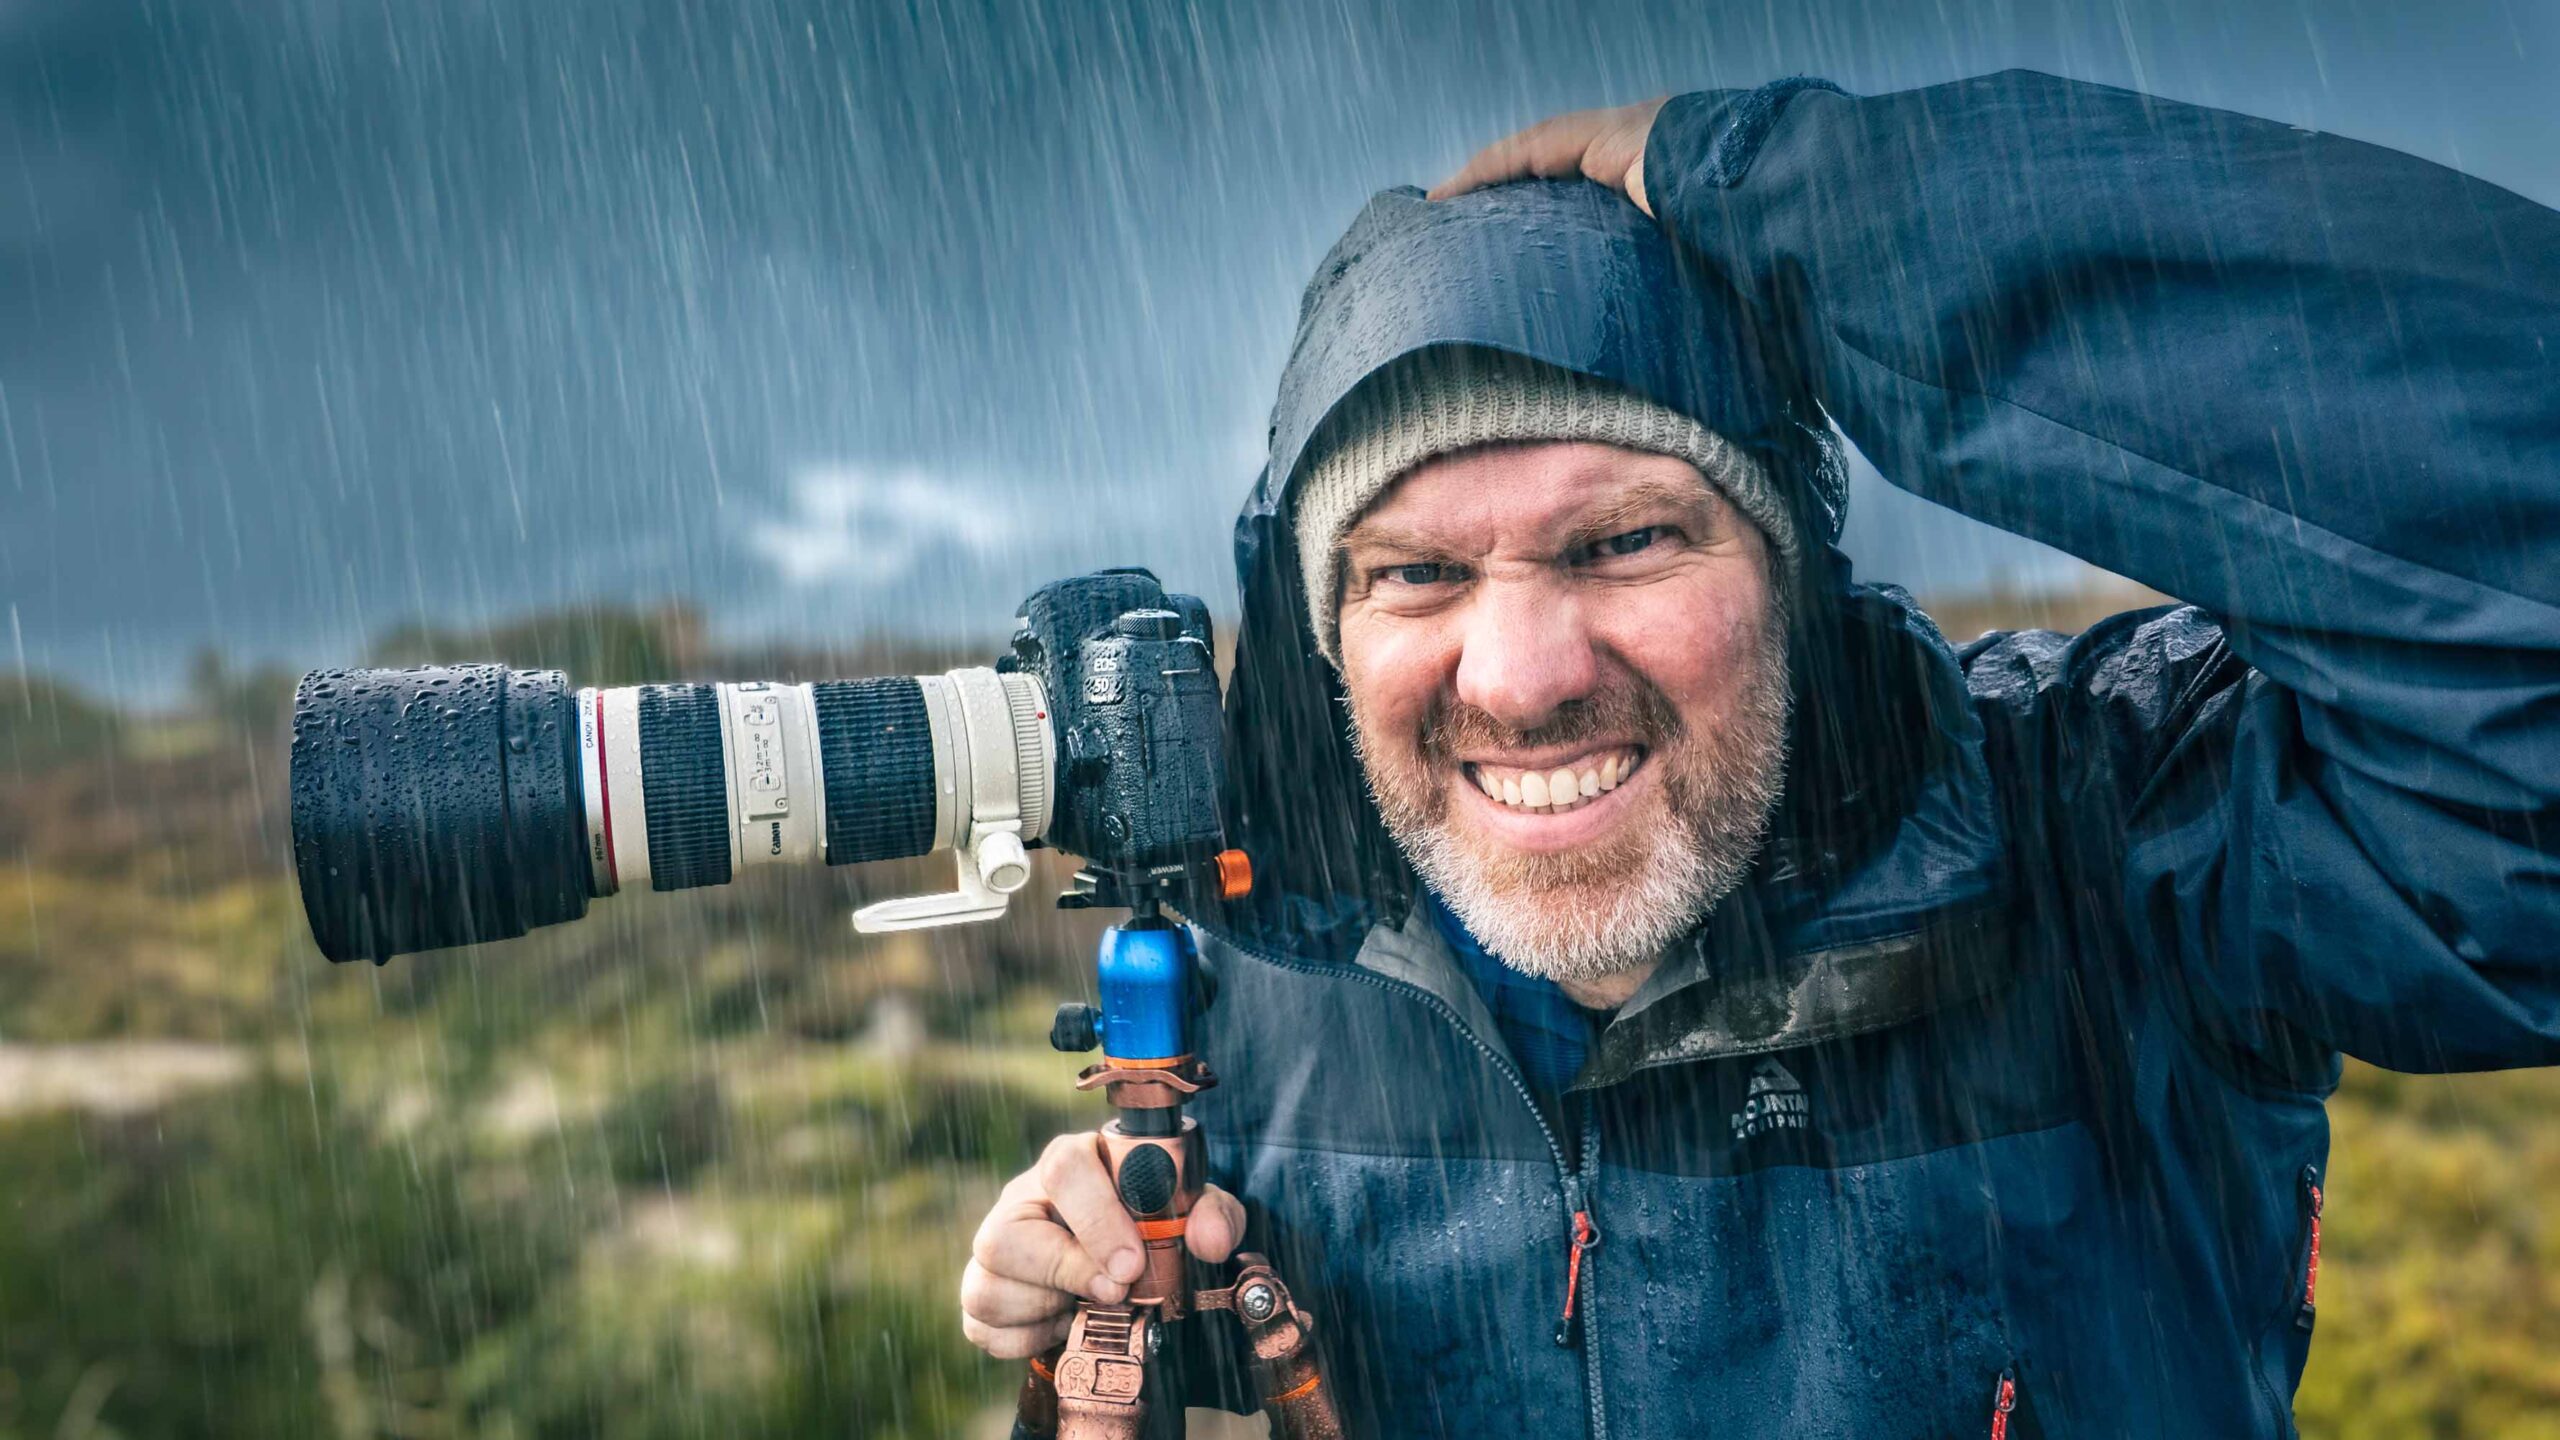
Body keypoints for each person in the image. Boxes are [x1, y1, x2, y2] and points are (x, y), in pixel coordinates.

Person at [959, 71, 2560, 1436]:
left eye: (1628, 542)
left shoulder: (2120, 829)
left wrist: (1839, 211)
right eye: (1414, 573)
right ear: (1324, 639)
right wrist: (1101, 1333)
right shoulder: (1259, 993)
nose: (1519, 681)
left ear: (1791, 575)